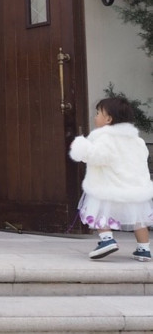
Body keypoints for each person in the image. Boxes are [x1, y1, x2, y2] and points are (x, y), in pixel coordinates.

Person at [69, 96, 153, 261]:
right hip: (134, 188)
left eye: (98, 113)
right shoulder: (137, 141)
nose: (95, 116)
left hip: (108, 187)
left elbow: (96, 156)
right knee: (138, 219)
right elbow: (142, 159)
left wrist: (81, 148)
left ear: (108, 119)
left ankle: (107, 240)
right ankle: (144, 249)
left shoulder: (104, 138)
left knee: (100, 211)